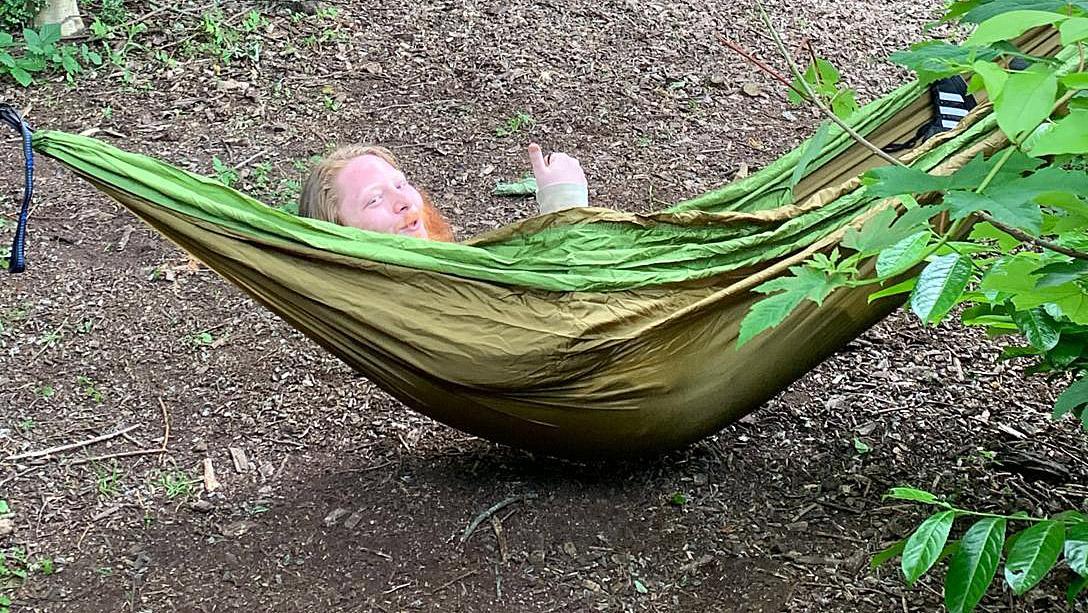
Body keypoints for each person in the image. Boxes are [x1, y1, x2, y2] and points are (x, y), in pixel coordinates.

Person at [298, 143, 588, 241]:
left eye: (400, 185)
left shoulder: (439, 275)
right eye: (374, 200)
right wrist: (565, 208)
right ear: (338, 231)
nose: (402, 202)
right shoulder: (409, 305)